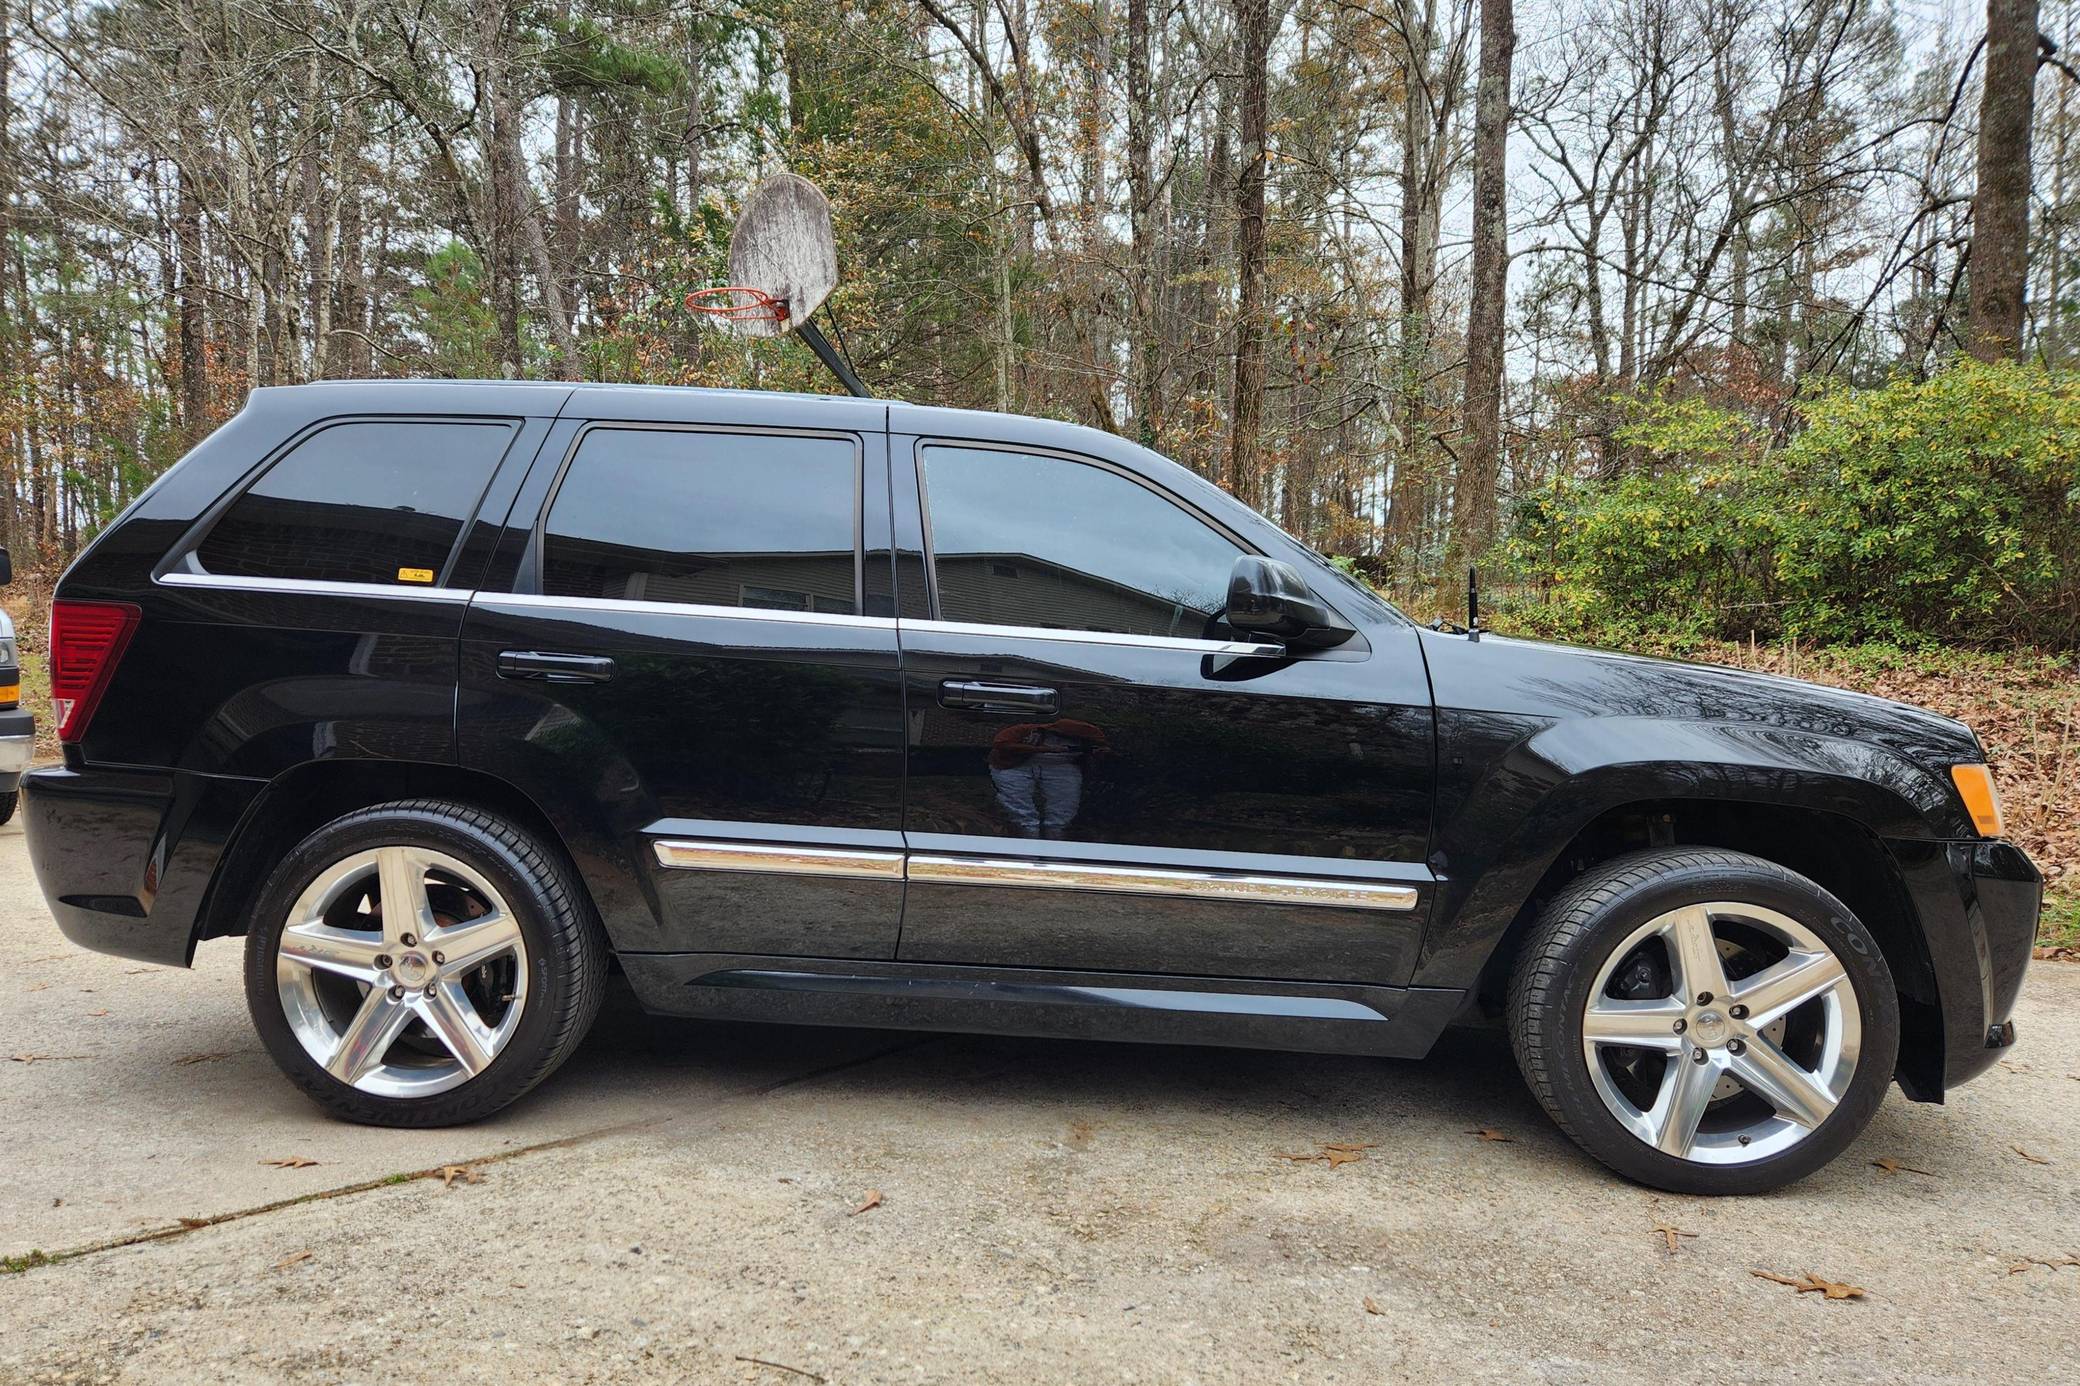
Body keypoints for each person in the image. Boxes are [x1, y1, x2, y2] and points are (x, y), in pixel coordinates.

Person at [987, 718, 1109, 839]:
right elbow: (1001, 743)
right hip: (1014, 765)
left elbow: (1101, 753)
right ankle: (1027, 843)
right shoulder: (1025, 731)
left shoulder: (1090, 741)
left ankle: (1055, 844)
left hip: (1062, 767)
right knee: (1020, 811)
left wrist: (1097, 752)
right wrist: (1046, 749)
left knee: (1062, 813)